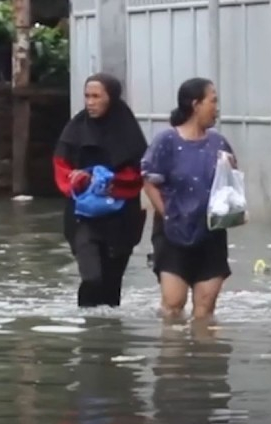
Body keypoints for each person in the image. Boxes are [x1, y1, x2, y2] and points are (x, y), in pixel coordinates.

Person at [141, 77, 237, 319]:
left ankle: (204, 355)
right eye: (212, 101)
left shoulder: (219, 142)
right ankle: (174, 355)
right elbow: (149, 180)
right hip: (174, 233)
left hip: (211, 233)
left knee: (205, 309)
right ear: (196, 105)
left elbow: (230, 183)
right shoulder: (167, 142)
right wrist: (166, 213)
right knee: (173, 305)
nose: (216, 108)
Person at [53, 73, 148, 308]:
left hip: (122, 218)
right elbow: (61, 168)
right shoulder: (75, 129)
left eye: (96, 96)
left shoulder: (128, 132)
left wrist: (107, 180)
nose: (90, 102)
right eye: (87, 96)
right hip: (83, 217)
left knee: (111, 287)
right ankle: (86, 330)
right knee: (92, 278)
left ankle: (107, 341)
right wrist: (81, 180)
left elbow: (140, 172)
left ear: (111, 98)